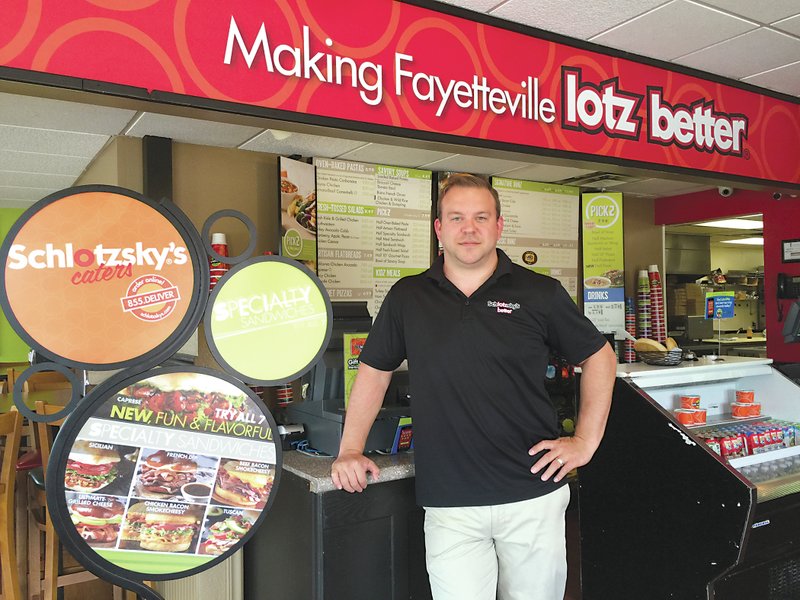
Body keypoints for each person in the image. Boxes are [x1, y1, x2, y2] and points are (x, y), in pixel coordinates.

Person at [331, 173, 617, 600]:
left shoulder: (539, 293)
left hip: (531, 494)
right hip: (449, 500)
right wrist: (349, 448)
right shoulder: (409, 296)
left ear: (499, 226)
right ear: (439, 228)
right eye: (457, 217)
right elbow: (374, 370)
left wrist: (585, 441)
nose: (469, 228)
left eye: (481, 217)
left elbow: (600, 357)